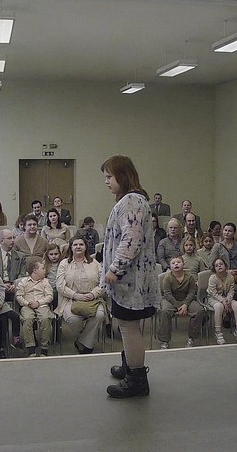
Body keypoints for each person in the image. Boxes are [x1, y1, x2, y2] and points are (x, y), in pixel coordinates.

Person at [101, 155, 159, 399]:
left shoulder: (132, 202)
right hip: (130, 280)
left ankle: (136, 379)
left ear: (123, 176)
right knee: (127, 326)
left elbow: (131, 240)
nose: (106, 182)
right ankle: (129, 365)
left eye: (109, 177)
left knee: (128, 327)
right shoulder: (132, 200)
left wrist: (115, 269)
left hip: (130, 280)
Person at [56, 237, 107, 355]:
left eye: (81, 244)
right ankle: (86, 340)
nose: (78, 247)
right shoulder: (64, 264)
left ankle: (82, 342)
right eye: (75, 245)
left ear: (85, 247)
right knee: (73, 319)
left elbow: (103, 283)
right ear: (71, 248)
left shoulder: (94, 263)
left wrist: (93, 294)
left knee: (99, 315)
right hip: (70, 299)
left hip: (93, 299)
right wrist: (75, 295)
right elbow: (60, 285)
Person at [157, 255, 202, 349]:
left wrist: (185, 304)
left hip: (186, 299)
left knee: (199, 311)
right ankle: (164, 341)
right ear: (170, 266)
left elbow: (192, 292)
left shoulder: (190, 277)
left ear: (183, 264)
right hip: (170, 300)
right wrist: (178, 306)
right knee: (164, 311)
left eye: (178, 262)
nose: (176, 264)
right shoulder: (167, 277)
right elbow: (167, 294)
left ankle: (191, 338)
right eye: (173, 263)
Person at [16, 258, 55, 357]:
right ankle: (31, 347)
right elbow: (19, 296)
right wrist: (28, 303)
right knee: (27, 319)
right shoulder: (23, 282)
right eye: (42, 268)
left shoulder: (45, 282)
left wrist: (39, 302)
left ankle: (44, 347)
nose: (45, 270)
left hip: (42, 305)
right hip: (27, 305)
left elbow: (50, 296)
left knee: (46, 319)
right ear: (35, 270)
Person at [207, 258, 237, 344]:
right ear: (214, 269)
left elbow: (231, 290)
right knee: (219, 306)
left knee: (236, 305)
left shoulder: (230, 277)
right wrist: (223, 301)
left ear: (225, 266)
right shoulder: (212, 278)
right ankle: (218, 332)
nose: (219, 266)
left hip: (227, 298)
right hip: (213, 298)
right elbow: (213, 293)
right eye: (216, 265)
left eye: (221, 264)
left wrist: (228, 299)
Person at [0, 228, 27, 302]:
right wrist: (1, 285)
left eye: (13, 238)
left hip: (15, 288)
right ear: (1, 241)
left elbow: (22, 274)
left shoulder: (21, 256)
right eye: (9, 238)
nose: (12, 240)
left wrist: (15, 284)